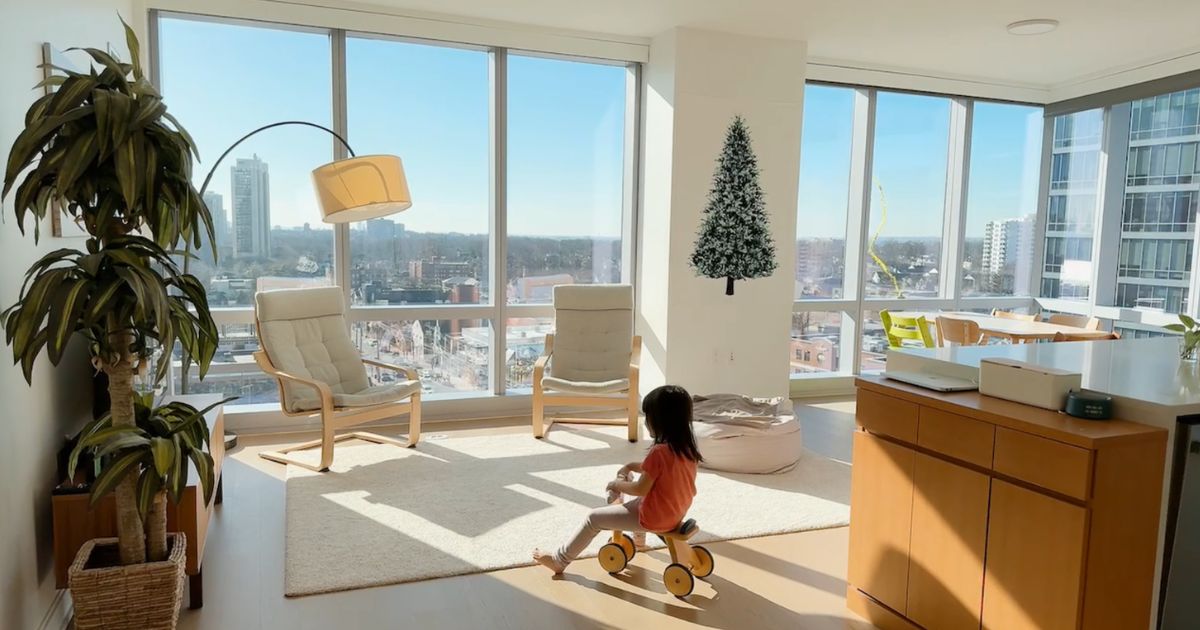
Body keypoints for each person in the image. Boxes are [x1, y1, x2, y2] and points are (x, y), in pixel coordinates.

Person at [533, 385, 702, 574]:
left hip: (655, 518)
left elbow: (640, 489)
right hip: (675, 511)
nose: (646, 422)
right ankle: (638, 541)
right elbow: (658, 471)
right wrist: (630, 466)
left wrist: (617, 484)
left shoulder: (659, 452)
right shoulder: (687, 450)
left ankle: (559, 560)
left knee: (593, 519)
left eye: (648, 417)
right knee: (639, 502)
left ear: (661, 420)